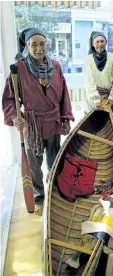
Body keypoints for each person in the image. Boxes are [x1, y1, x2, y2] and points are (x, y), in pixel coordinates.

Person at [2, 28, 74, 215]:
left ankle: (53, 192)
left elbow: (64, 94)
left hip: (53, 122)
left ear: (46, 45)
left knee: (55, 161)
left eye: (42, 44)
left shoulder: (56, 66)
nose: (39, 48)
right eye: (34, 44)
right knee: (34, 165)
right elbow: (9, 99)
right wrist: (13, 116)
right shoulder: (18, 69)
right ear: (27, 47)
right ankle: (39, 196)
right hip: (32, 124)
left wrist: (66, 116)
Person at [84, 31, 113, 122]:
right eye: (97, 42)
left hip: (109, 100)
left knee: (109, 127)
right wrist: (96, 99)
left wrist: (112, 97)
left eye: (102, 41)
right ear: (93, 44)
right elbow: (89, 81)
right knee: (92, 128)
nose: (100, 44)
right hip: (93, 102)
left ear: (106, 42)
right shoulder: (88, 60)